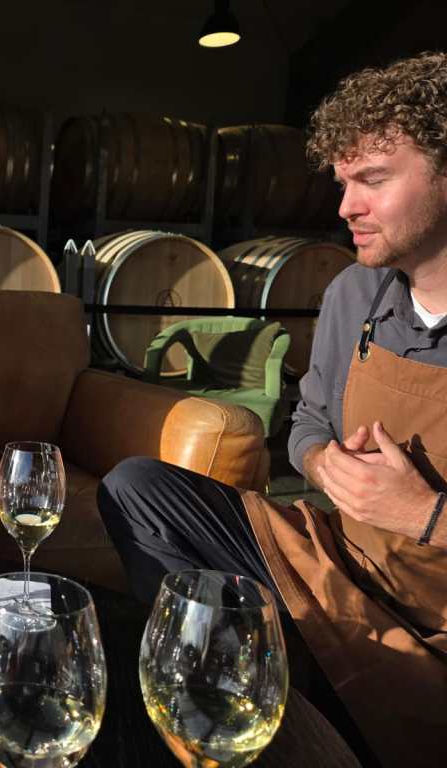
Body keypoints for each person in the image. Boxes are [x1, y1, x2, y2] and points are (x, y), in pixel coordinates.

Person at [98, 51, 447, 768]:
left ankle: (289, 700)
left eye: (373, 180)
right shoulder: (355, 292)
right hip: (337, 566)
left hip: (433, 621)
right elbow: (308, 424)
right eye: (343, 183)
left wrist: (425, 514)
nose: (346, 207)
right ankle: (245, 688)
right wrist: (321, 461)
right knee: (138, 489)